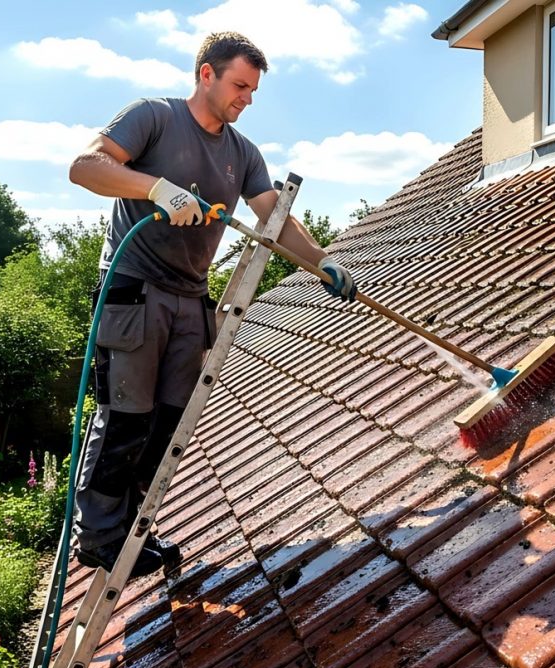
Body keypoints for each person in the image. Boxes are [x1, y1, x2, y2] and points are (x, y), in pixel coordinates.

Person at [68, 31, 355, 577]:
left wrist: (320, 262)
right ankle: (100, 537)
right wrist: (155, 188)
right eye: (239, 86)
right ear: (207, 74)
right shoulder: (153, 116)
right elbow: (85, 167)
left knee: (167, 425)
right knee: (127, 417)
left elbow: (275, 220)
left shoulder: (243, 153)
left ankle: (132, 535)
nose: (246, 99)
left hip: (190, 297)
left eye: (252, 91)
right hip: (136, 290)